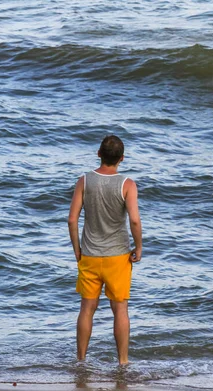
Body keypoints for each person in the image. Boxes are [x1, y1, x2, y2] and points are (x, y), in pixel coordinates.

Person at [67, 135, 142, 365]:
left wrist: (77, 250)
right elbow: (135, 221)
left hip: (89, 254)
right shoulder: (127, 184)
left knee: (87, 309)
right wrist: (138, 247)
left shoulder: (84, 181)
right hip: (118, 257)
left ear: (98, 153)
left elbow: (72, 220)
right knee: (120, 309)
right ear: (122, 158)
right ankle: (122, 361)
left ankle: (80, 360)